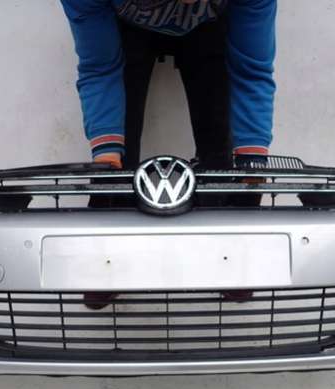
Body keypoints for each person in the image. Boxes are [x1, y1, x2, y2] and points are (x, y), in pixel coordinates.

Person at [60, 0, 276, 307]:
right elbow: (100, 68)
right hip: (125, 26)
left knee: (221, 150)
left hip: (209, 26)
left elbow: (251, 70)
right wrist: (106, 161)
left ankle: (233, 250)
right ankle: (105, 254)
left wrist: (251, 164)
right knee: (114, 166)